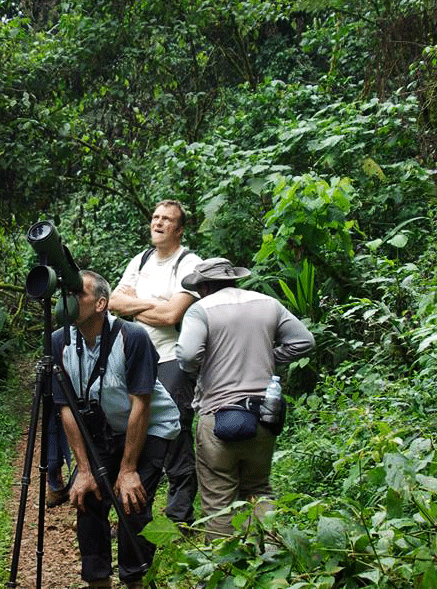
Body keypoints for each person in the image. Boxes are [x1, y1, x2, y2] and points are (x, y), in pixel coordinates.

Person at [53, 270, 180, 589]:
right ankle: (98, 581)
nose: (70, 300)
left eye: (78, 294)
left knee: (131, 500)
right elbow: (65, 407)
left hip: (150, 428)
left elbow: (142, 405)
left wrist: (127, 470)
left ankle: (135, 578)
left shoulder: (132, 337)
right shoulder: (59, 341)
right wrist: (83, 470)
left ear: (100, 304)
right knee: (88, 497)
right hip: (104, 429)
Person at [176, 258, 315, 538]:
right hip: (264, 415)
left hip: (218, 418)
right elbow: (305, 342)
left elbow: (188, 355)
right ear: (233, 279)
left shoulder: (200, 309)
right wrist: (270, 357)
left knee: (218, 501)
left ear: (203, 286)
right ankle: (274, 563)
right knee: (260, 489)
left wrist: (203, 365)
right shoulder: (268, 304)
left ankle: (223, 572)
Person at [108, 199, 202, 525]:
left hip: (173, 356)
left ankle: (179, 517)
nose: (158, 223)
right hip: (137, 358)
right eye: (155, 217)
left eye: (167, 219)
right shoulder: (141, 259)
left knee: (174, 435)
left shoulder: (190, 264)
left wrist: (135, 304)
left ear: (179, 228)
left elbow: (171, 315)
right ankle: (137, 513)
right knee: (136, 431)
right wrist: (152, 305)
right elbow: (114, 302)